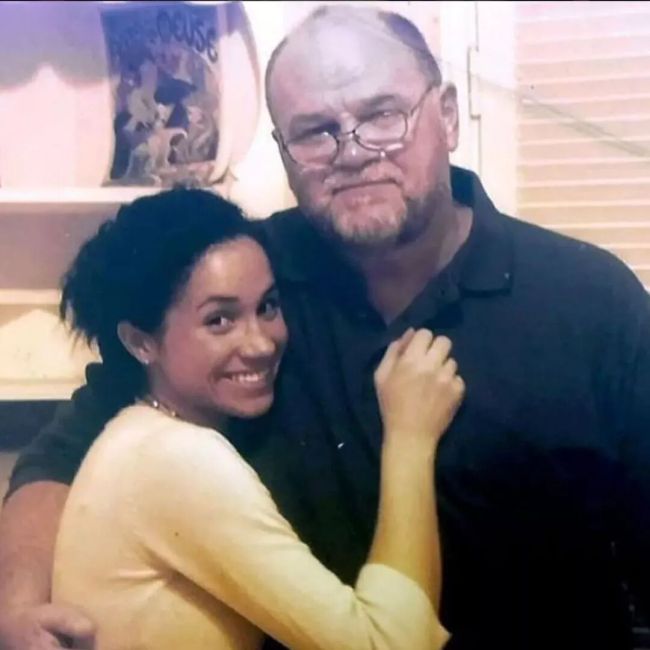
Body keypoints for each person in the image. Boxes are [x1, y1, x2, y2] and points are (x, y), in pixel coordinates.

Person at [0, 4, 649, 650]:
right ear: (283, 151)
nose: (353, 152)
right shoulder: (250, 279)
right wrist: (17, 607)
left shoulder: (589, 299)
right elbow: (62, 454)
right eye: (314, 132)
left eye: (383, 116)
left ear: (448, 115)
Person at [53, 187, 458, 649]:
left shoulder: (138, 435)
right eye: (219, 320)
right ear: (140, 342)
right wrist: (410, 439)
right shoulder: (176, 457)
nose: (261, 343)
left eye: (267, 307)